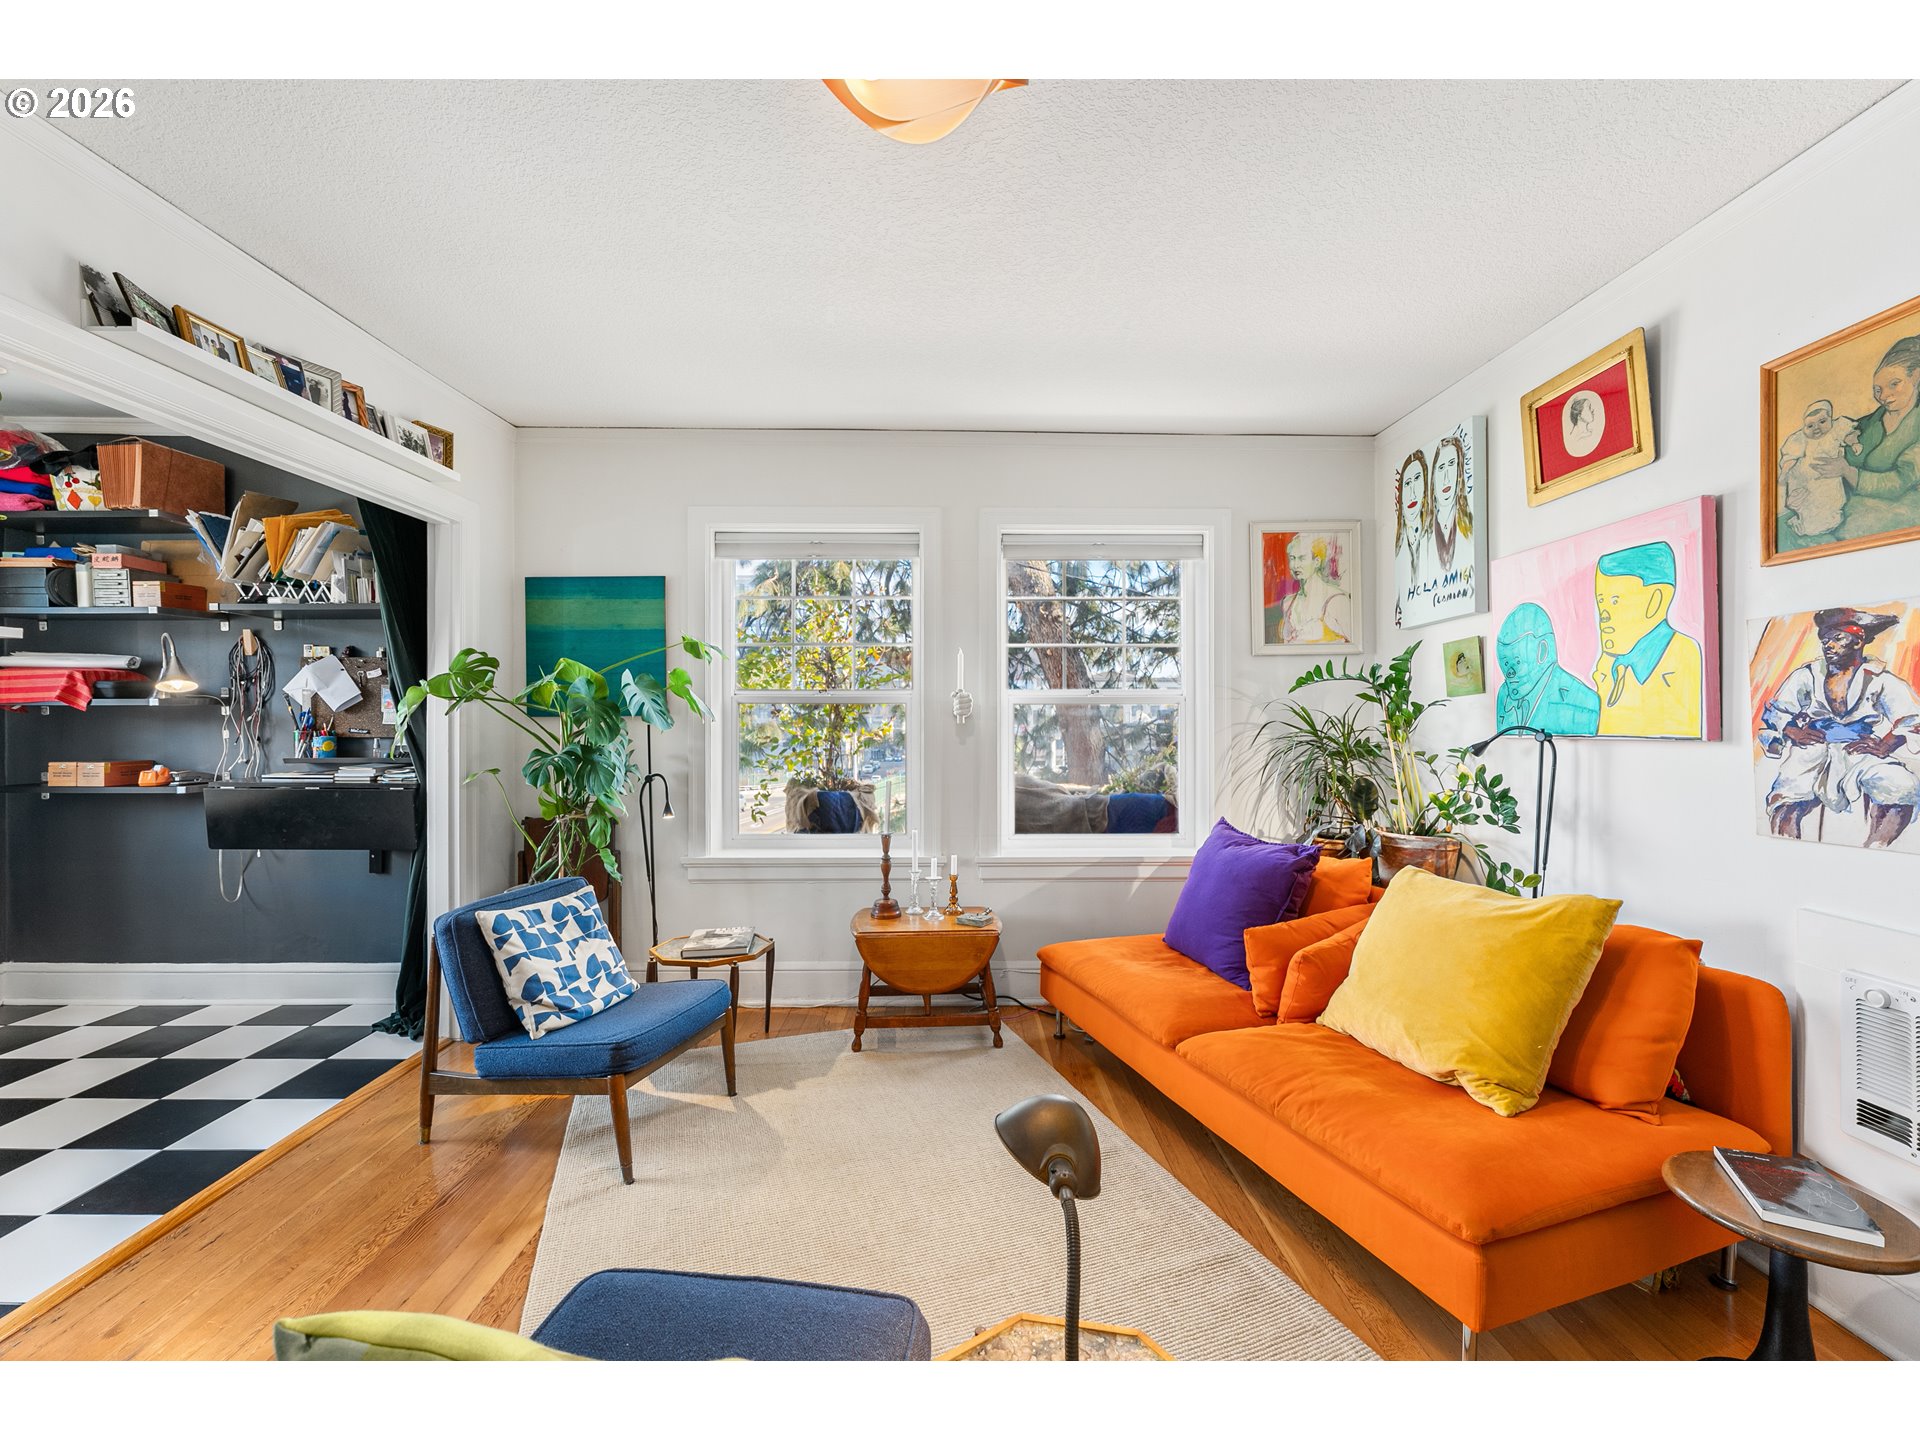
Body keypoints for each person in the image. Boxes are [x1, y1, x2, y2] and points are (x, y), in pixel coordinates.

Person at [1759, 608, 1920, 848]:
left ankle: (1876, 849)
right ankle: (1787, 850)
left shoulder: (1878, 678)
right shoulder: (1808, 675)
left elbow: (1912, 718)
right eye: (1825, 640)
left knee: (1902, 787)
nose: (1828, 646)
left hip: (1859, 750)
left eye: (1837, 639)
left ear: (1858, 641)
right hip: (1813, 749)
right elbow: (1777, 711)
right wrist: (1793, 731)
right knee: (1786, 799)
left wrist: (1886, 744)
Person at [1591, 541, 1703, 737]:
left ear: (1656, 600)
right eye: (1601, 601)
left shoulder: (1683, 654)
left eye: (1615, 601)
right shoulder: (1608, 664)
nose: (1604, 615)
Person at [1495, 602, 1599, 735]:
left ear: (1542, 652)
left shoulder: (1584, 701)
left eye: (1517, 662)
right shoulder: (1503, 694)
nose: (1509, 673)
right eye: (1505, 663)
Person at [1842, 335, 1920, 509]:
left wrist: (1847, 472)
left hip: (1894, 516)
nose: (1883, 396)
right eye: (1878, 390)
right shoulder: (1870, 422)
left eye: (1894, 384)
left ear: (1915, 376)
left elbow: (1899, 482)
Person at [1776, 399, 1858, 540]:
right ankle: (1805, 524)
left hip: (1827, 479)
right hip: (1804, 479)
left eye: (1822, 422)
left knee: (1828, 502)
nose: (1817, 428)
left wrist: (1854, 443)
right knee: (1806, 504)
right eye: (1810, 425)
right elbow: (1789, 459)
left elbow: (1848, 435)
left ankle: (1827, 522)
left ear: (1830, 419)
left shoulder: (1836, 430)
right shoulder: (1800, 439)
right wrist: (1784, 472)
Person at [1277, 532, 1352, 647]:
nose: (1295, 565)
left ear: (1317, 562)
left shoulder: (1336, 600)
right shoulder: (1287, 603)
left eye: (1302, 558)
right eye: (1292, 558)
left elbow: (1354, 644)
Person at [1391, 448, 1430, 624]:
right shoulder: (1400, 553)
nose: (1412, 491)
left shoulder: (1432, 541)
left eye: (1417, 480)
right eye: (1407, 484)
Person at [1428, 432, 1473, 578]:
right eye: (1441, 468)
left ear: (1459, 472)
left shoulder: (1468, 527)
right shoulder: (1426, 535)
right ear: (1433, 478)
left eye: (1452, 464)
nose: (1446, 477)